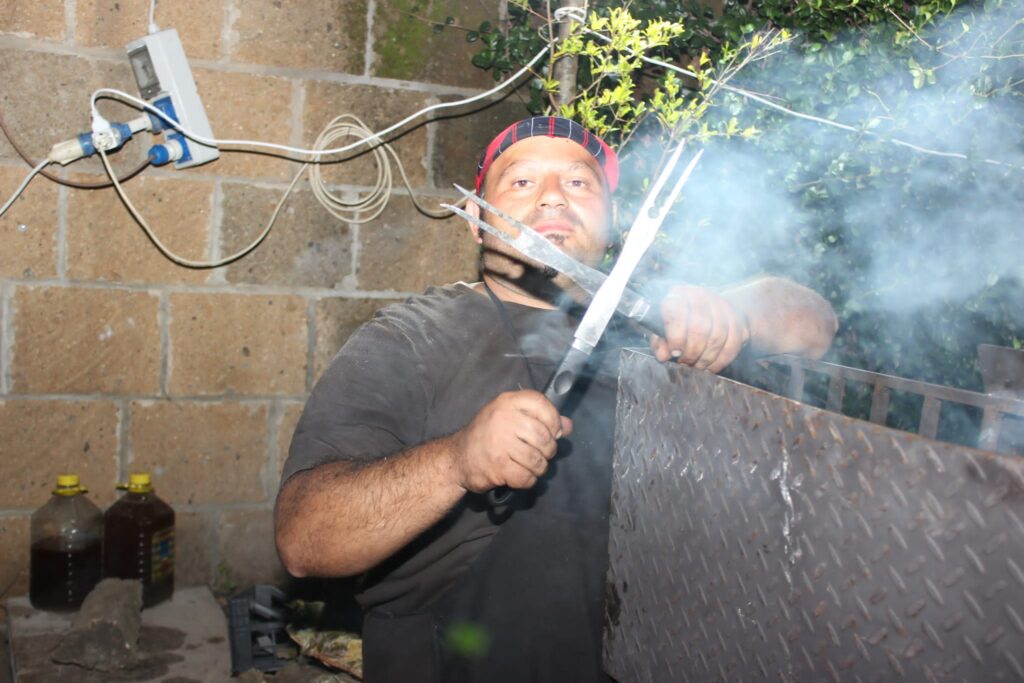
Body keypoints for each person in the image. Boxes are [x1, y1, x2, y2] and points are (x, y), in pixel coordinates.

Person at [275, 116, 837, 682]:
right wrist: (456, 462)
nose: (551, 198)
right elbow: (305, 539)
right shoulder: (410, 339)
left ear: (612, 223)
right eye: (521, 182)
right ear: (475, 220)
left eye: (578, 183)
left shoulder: (649, 326)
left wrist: (728, 313)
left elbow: (816, 324)